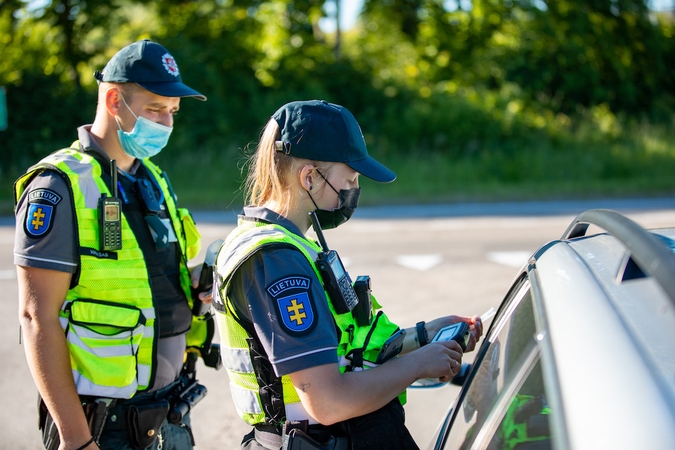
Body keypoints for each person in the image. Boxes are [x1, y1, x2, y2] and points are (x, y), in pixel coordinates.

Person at [212, 99, 484, 450]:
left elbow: (348, 349)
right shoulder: (277, 260)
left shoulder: (294, 245)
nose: (354, 190)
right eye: (350, 179)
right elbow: (328, 401)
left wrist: (423, 336)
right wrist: (417, 365)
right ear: (309, 177)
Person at [14, 39, 219, 450]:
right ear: (113, 100)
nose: (165, 123)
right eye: (155, 109)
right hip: (101, 425)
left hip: (170, 409)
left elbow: (146, 279)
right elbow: (37, 318)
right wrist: (77, 440)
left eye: (173, 112)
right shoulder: (58, 186)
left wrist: (198, 281)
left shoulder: (153, 180)